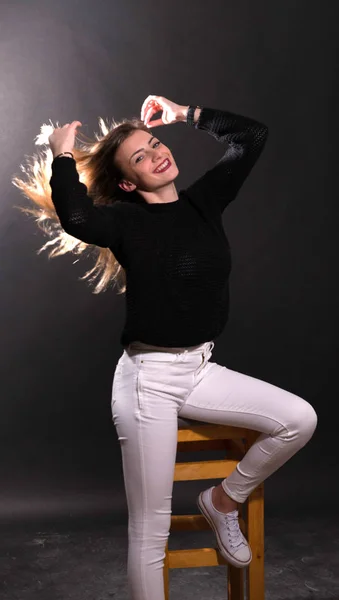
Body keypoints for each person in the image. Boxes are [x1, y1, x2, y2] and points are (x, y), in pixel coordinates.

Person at [13, 95, 318, 600]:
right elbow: (78, 219)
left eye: (156, 143)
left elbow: (252, 137)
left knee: (299, 419)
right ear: (129, 183)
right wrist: (62, 154)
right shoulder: (123, 223)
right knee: (151, 528)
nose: (158, 153)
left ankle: (223, 501)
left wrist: (186, 114)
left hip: (200, 369)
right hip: (147, 382)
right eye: (141, 156)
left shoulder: (204, 202)